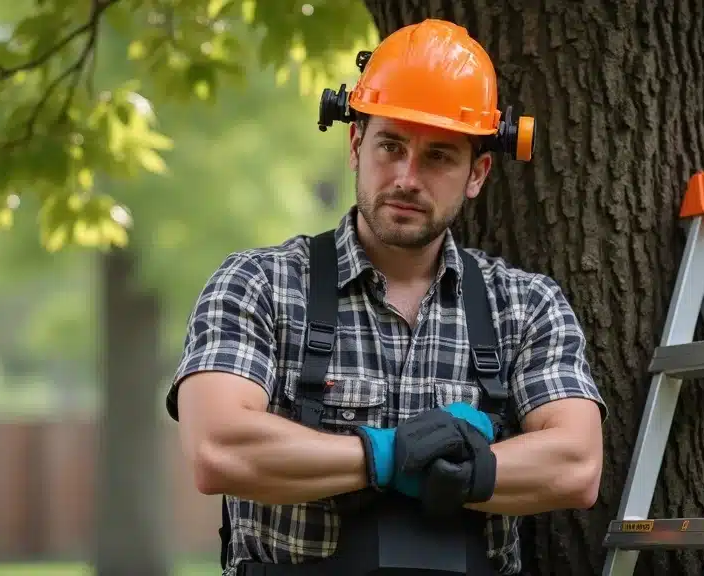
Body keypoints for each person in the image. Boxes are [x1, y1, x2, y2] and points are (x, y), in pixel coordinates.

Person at [166, 18, 608, 576]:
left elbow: (576, 465)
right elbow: (219, 450)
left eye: (439, 156)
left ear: (478, 173)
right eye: (390, 146)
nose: (406, 176)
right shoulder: (258, 285)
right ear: (356, 144)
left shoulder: (524, 306)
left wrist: (463, 470)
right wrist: (383, 454)